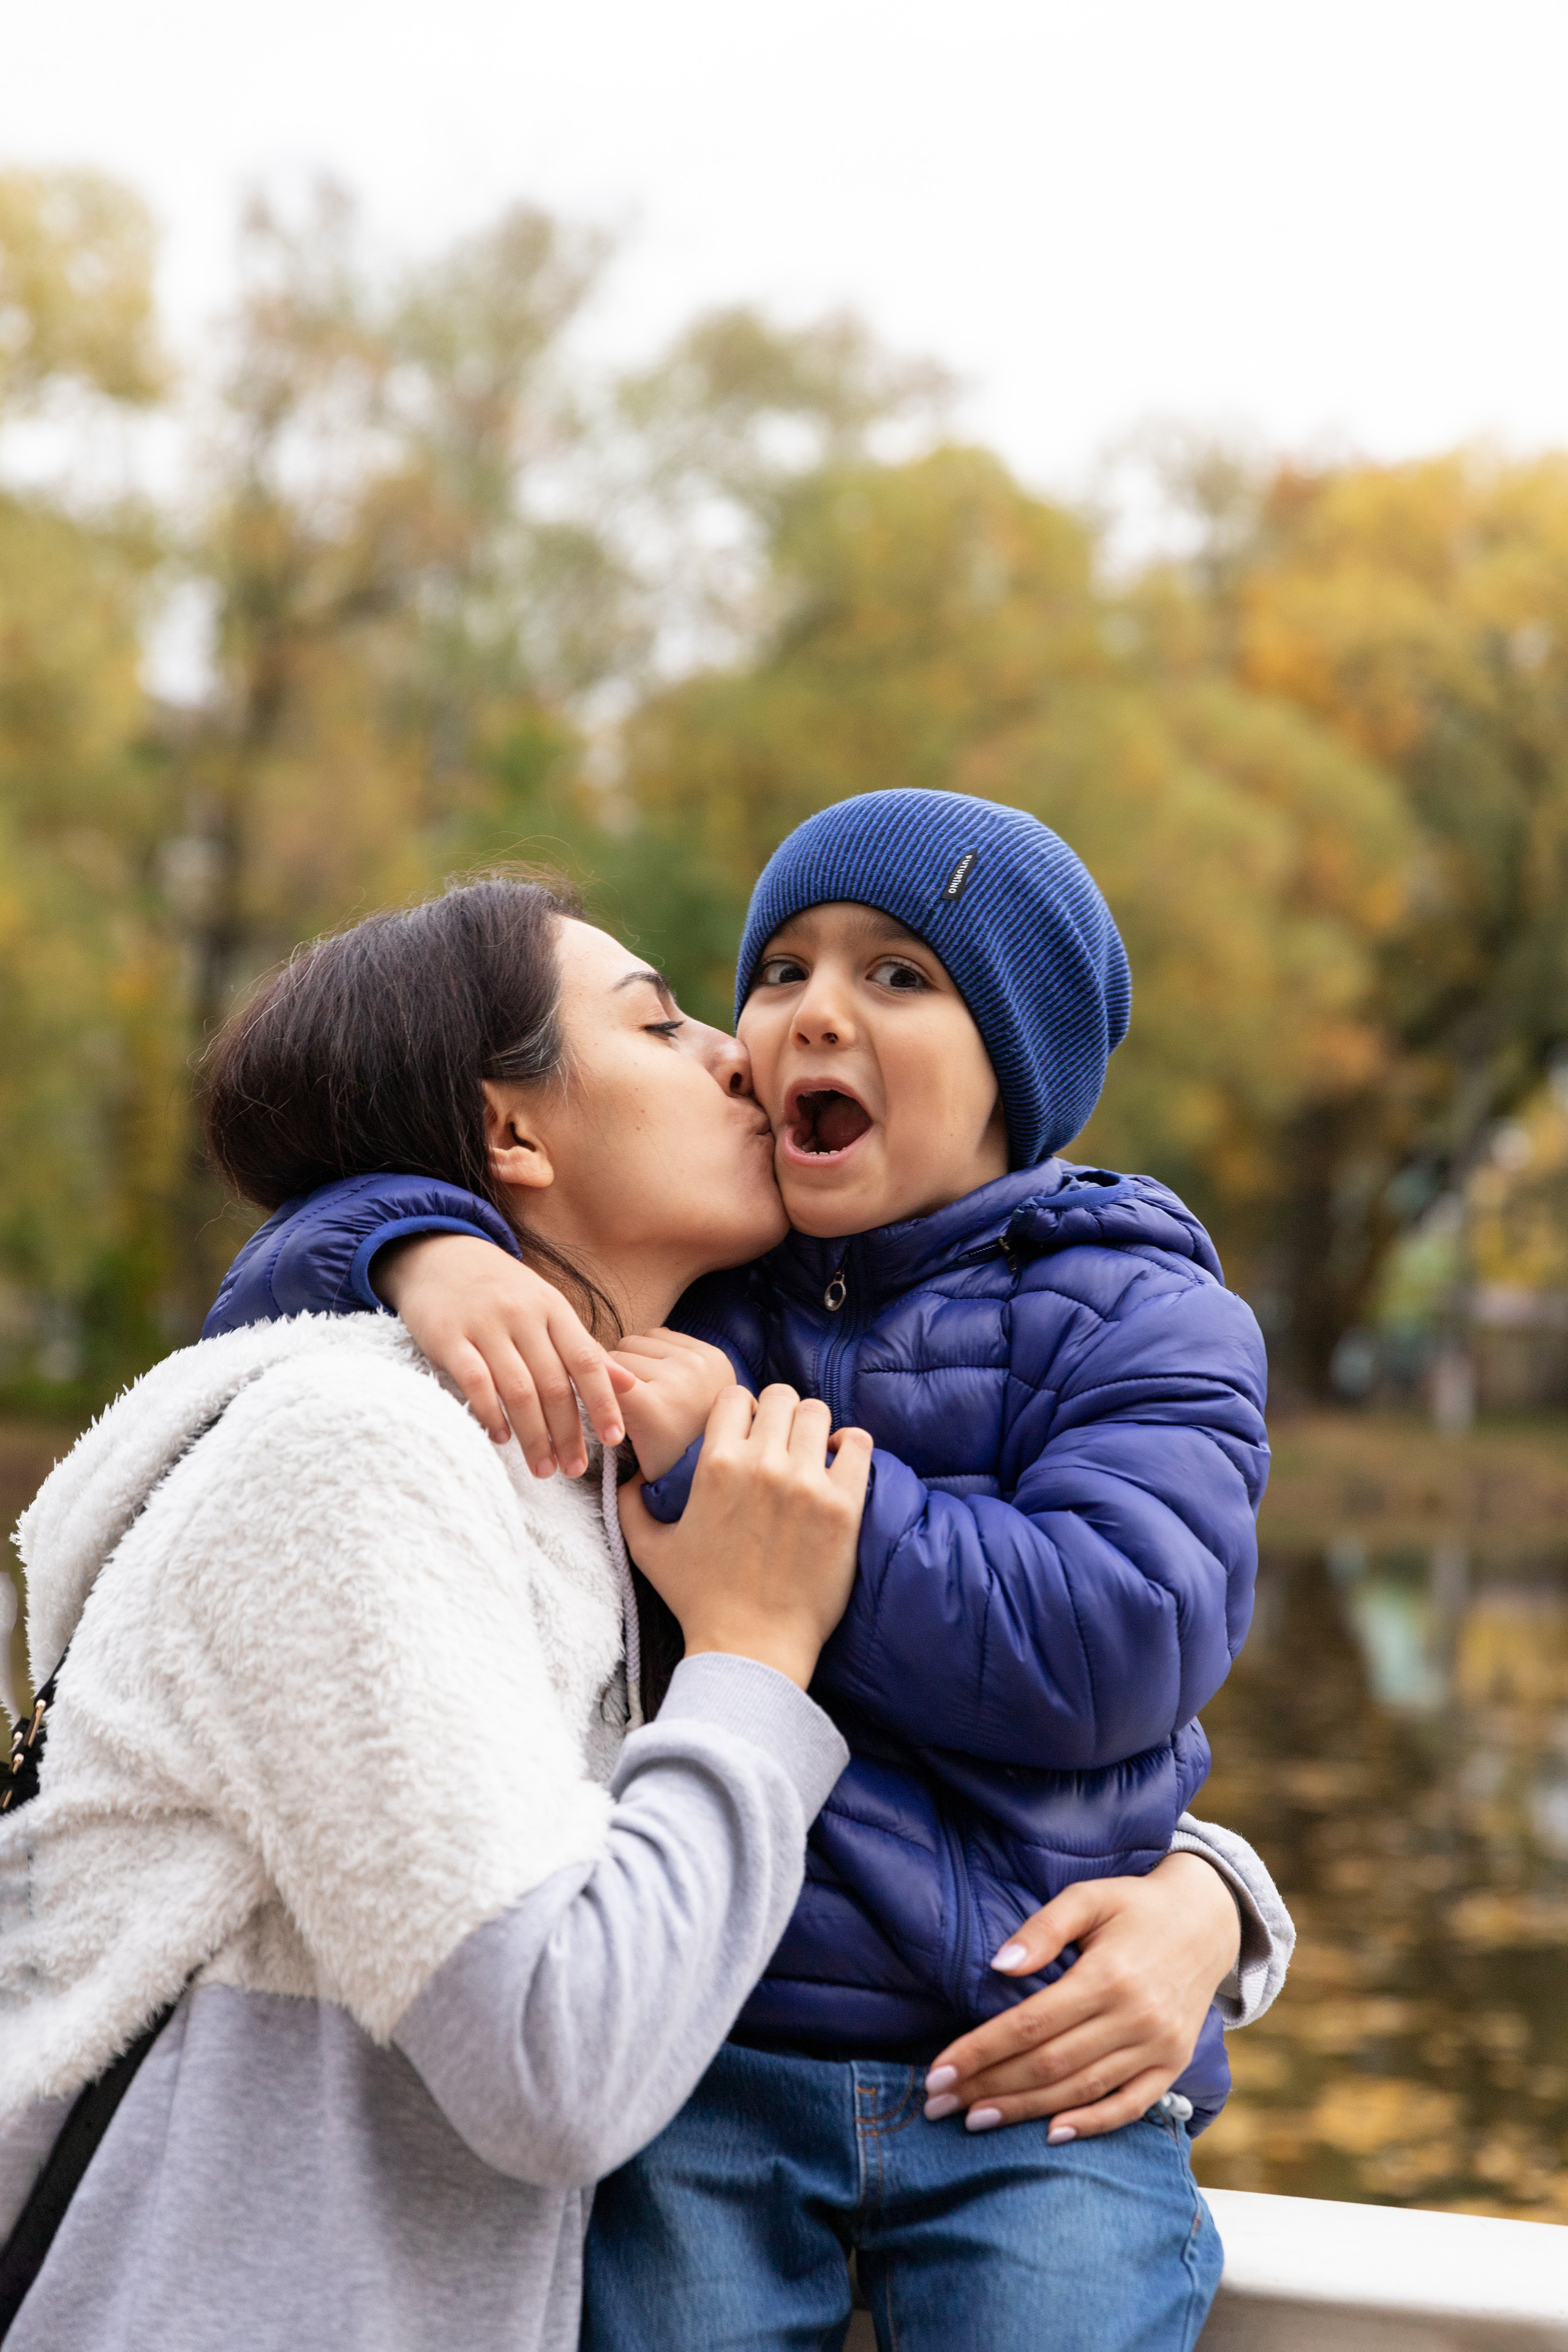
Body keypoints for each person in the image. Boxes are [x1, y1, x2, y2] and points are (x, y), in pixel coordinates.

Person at [206, 799, 1290, 2352]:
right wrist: (412, 1251)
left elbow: (1117, 1645)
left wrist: (793, 1504)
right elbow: (272, 1298)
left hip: (1025, 2068)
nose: (803, 1015)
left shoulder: (1140, 1311)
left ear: (1017, 1062)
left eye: (899, 977)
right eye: (776, 970)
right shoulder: (707, 1280)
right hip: (712, 2047)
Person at [0, 877, 875, 2352]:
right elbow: (559, 2062)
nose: (739, 1051)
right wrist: (750, 1657)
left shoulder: (595, 1476)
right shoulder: (356, 1453)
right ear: (511, 1134)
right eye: (659, 1022)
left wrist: (1193, 1892)